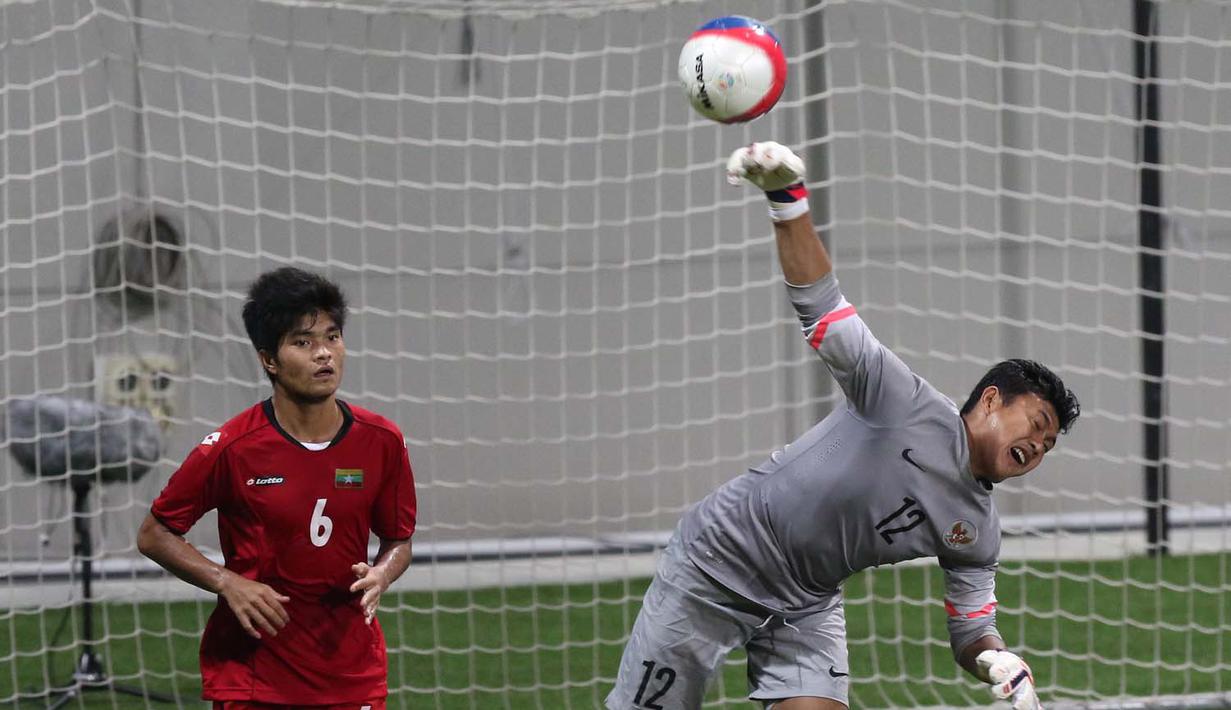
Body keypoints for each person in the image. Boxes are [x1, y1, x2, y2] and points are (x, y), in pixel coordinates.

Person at [606, 143, 1080, 710]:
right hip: (719, 560)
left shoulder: (977, 530)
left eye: (1048, 445)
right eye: (1038, 423)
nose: (1038, 445)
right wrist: (787, 200)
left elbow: (971, 630)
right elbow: (822, 309)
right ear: (993, 399)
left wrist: (998, 661)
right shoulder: (900, 399)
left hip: (804, 604)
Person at [137, 267, 416, 710]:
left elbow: (398, 540)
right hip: (254, 676)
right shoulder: (231, 448)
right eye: (302, 342)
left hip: (350, 672)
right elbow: (154, 533)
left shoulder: (382, 441)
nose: (324, 354)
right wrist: (226, 582)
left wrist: (383, 573)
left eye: (332, 336)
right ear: (269, 359)